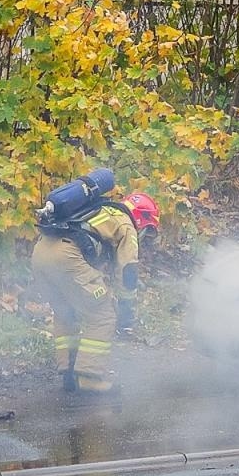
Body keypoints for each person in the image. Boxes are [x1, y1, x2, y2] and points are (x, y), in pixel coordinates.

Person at [30, 168, 161, 394]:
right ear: (143, 219)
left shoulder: (100, 209)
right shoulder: (126, 223)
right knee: (102, 314)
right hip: (66, 257)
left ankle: (68, 372)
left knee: (65, 311)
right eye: (147, 232)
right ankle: (89, 377)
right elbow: (127, 270)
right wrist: (126, 309)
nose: (145, 238)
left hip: (41, 253)